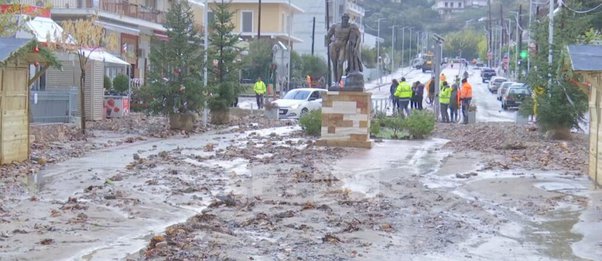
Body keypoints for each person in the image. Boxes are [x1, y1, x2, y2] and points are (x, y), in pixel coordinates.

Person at [326, 13, 362, 86]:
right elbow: (327, 35)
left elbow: (359, 36)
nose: (345, 21)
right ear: (342, 19)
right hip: (334, 45)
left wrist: (356, 47)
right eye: (344, 19)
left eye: (347, 19)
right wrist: (329, 42)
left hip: (343, 46)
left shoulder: (351, 27)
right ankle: (335, 81)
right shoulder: (335, 26)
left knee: (340, 63)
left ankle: (338, 82)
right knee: (334, 64)